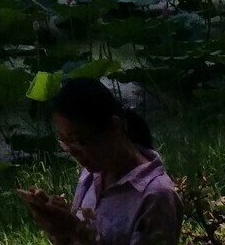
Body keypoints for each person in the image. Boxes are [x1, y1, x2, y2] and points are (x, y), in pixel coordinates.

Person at [17, 77, 183, 244]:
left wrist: (75, 230)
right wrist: (59, 228)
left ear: (115, 127)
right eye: (65, 142)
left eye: (79, 141)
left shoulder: (156, 197)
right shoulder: (90, 176)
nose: (73, 152)